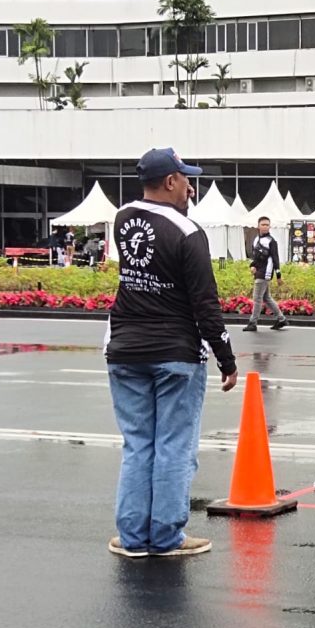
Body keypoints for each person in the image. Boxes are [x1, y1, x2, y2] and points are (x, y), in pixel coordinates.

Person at [104, 147, 238, 558]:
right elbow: (205, 302)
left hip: (125, 348)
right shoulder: (187, 231)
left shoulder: (123, 218)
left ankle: (132, 537)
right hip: (175, 351)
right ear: (169, 181)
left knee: (137, 445)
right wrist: (226, 358)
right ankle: (165, 536)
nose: (190, 188)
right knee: (173, 447)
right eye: (185, 179)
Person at [244, 216, 288, 332]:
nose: (265, 227)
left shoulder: (271, 241)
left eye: (267, 225)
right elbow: (256, 258)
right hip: (258, 272)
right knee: (266, 298)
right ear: (258, 226)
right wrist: (252, 266)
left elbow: (276, 259)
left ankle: (253, 323)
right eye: (263, 224)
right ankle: (281, 319)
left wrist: (278, 276)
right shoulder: (256, 240)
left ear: (270, 226)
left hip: (265, 273)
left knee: (257, 298)